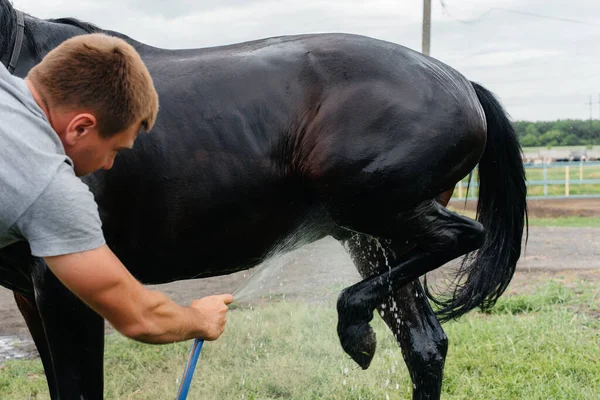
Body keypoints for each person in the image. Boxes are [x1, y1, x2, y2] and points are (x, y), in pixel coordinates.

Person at [0, 33, 233, 344]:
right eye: (115, 150)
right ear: (81, 128)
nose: (109, 164)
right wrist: (202, 319)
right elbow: (142, 318)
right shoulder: (47, 183)